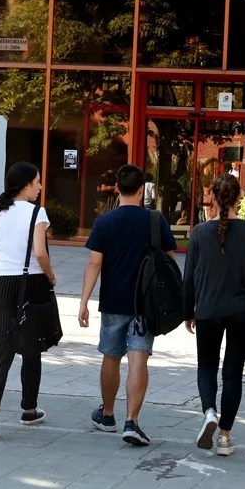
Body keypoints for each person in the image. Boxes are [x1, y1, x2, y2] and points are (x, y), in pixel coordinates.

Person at [79, 164, 176, 446]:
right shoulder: (156, 221)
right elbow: (169, 261)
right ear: (143, 189)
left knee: (111, 356)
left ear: (117, 188)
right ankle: (131, 421)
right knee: (138, 357)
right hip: (146, 305)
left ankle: (107, 414)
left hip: (113, 302)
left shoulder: (104, 223)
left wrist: (84, 302)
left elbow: (94, 263)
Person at [183, 173, 245, 457]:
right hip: (241, 311)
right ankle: (225, 436)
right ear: (239, 198)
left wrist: (188, 312)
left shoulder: (198, 233)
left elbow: (189, 279)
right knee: (233, 374)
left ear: (214, 198)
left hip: (207, 309)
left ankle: (209, 411)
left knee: (206, 366)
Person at [0, 162, 56, 437]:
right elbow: (40, 253)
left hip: (0, 284)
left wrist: (6, 262)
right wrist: (51, 276)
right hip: (31, 283)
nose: (39, 187)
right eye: (37, 182)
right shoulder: (37, 212)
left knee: (0, 348)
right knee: (31, 347)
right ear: (25, 185)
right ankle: (28, 410)